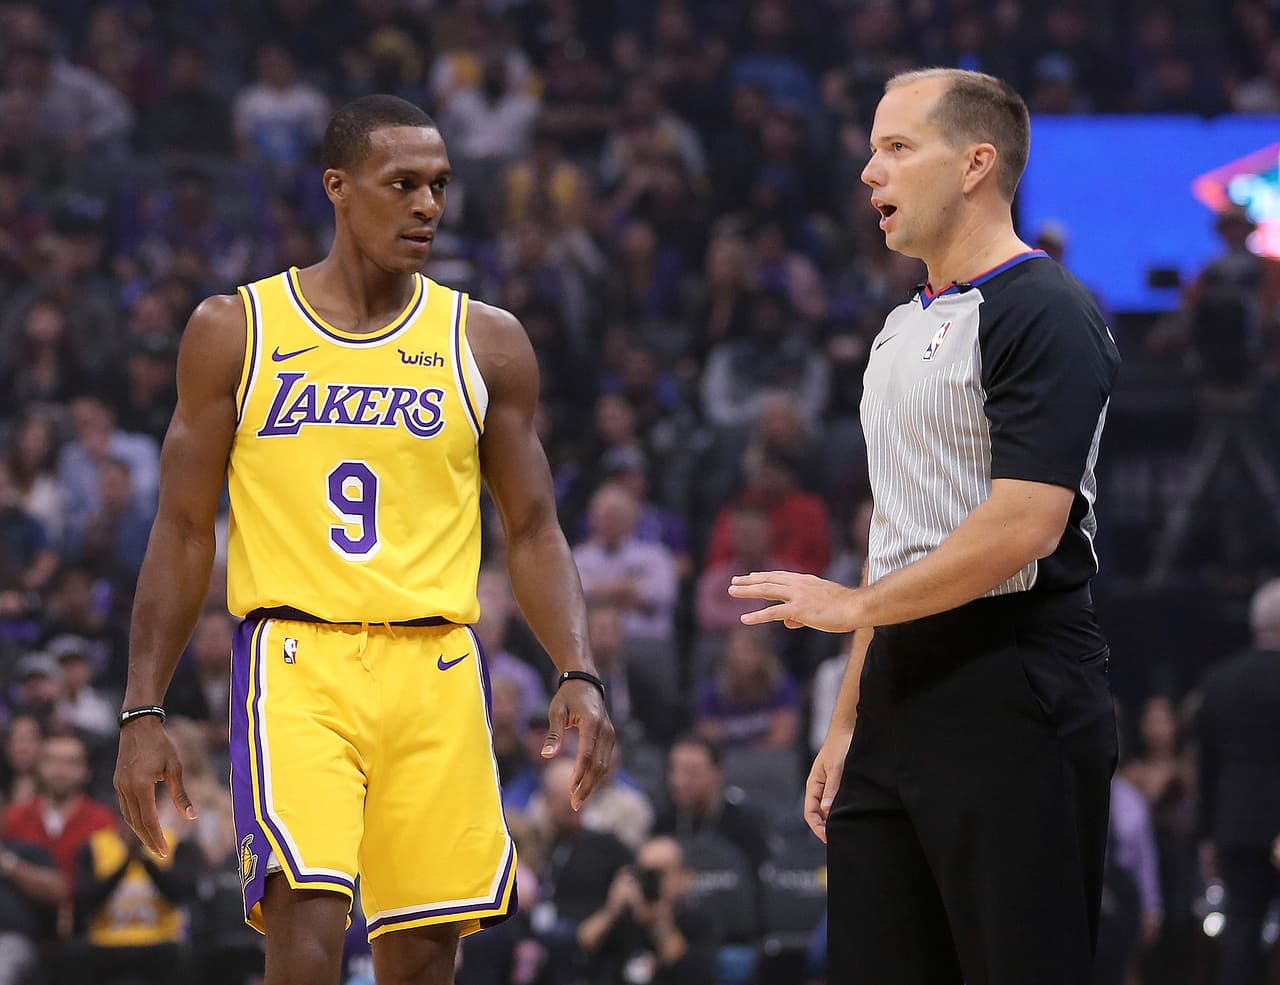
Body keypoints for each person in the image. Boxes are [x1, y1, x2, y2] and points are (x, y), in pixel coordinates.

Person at [113, 95, 614, 985]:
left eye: (441, 186)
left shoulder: (486, 341)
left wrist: (576, 666)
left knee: (423, 957)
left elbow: (533, 528)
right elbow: (184, 528)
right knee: (305, 937)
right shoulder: (236, 329)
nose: (428, 205)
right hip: (299, 659)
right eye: (404, 184)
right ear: (338, 188)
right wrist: (143, 706)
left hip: (439, 666)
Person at [730, 68, 1121, 984]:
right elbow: (900, 533)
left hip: (1015, 684)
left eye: (898, 148)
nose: (870, 172)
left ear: (978, 163)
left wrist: (850, 603)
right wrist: (847, 715)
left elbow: (1024, 526)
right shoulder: (899, 327)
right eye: (873, 149)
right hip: (898, 696)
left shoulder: (1046, 311)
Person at [1196, 577, 1280, 985]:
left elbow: (1206, 768)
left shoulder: (1218, 680)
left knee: (1241, 932)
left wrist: (1206, 836)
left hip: (1236, 827)